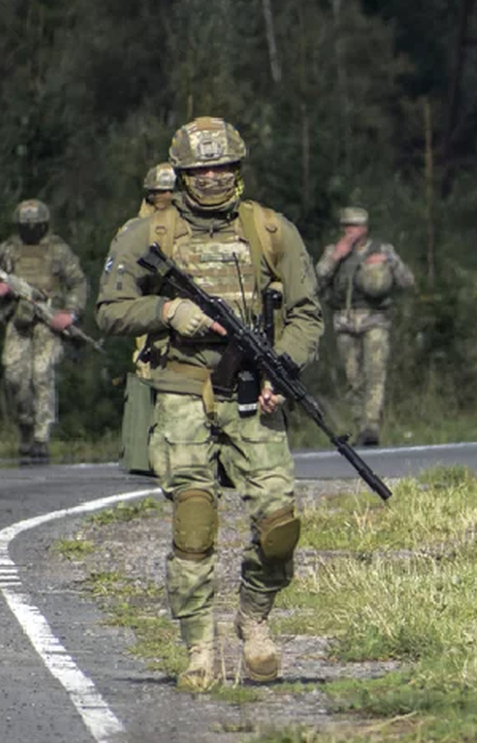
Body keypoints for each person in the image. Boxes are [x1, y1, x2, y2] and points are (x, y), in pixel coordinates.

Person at [95, 117, 323, 691]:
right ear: (183, 173)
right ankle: (200, 646)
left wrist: (284, 366)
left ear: (239, 168)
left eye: (224, 167)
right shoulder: (148, 233)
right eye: (201, 170)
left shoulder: (271, 230)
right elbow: (109, 309)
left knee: (280, 525)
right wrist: (166, 313)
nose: (214, 178)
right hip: (178, 391)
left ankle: (254, 618)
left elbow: (305, 314)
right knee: (194, 524)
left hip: (253, 390)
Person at [0, 199, 88, 464]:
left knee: (42, 374)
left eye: (35, 226)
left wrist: (70, 313)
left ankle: (42, 436)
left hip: (47, 322)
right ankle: (26, 425)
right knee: (14, 375)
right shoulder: (8, 249)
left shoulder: (58, 250)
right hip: (18, 320)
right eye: (25, 226)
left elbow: (77, 283)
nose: (30, 230)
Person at [315, 206, 415, 446]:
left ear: (365, 228)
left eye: (356, 226)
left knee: (376, 373)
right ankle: (360, 422)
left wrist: (388, 263)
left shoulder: (383, 250)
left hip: (375, 320)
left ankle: (371, 426)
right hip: (345, 322)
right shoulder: (334, 252)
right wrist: (335, 257)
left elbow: (407, 281)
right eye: (348, 226)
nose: (352, 231)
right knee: (353, 377)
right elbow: (317, 279)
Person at [119, 162, 179, 476]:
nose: (166, 197)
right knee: (147, 372)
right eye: (160, 193)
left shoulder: (190, 225)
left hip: (185, 309)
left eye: (171, 192)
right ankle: (147, 452)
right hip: (149, 309)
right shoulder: (136, 229)